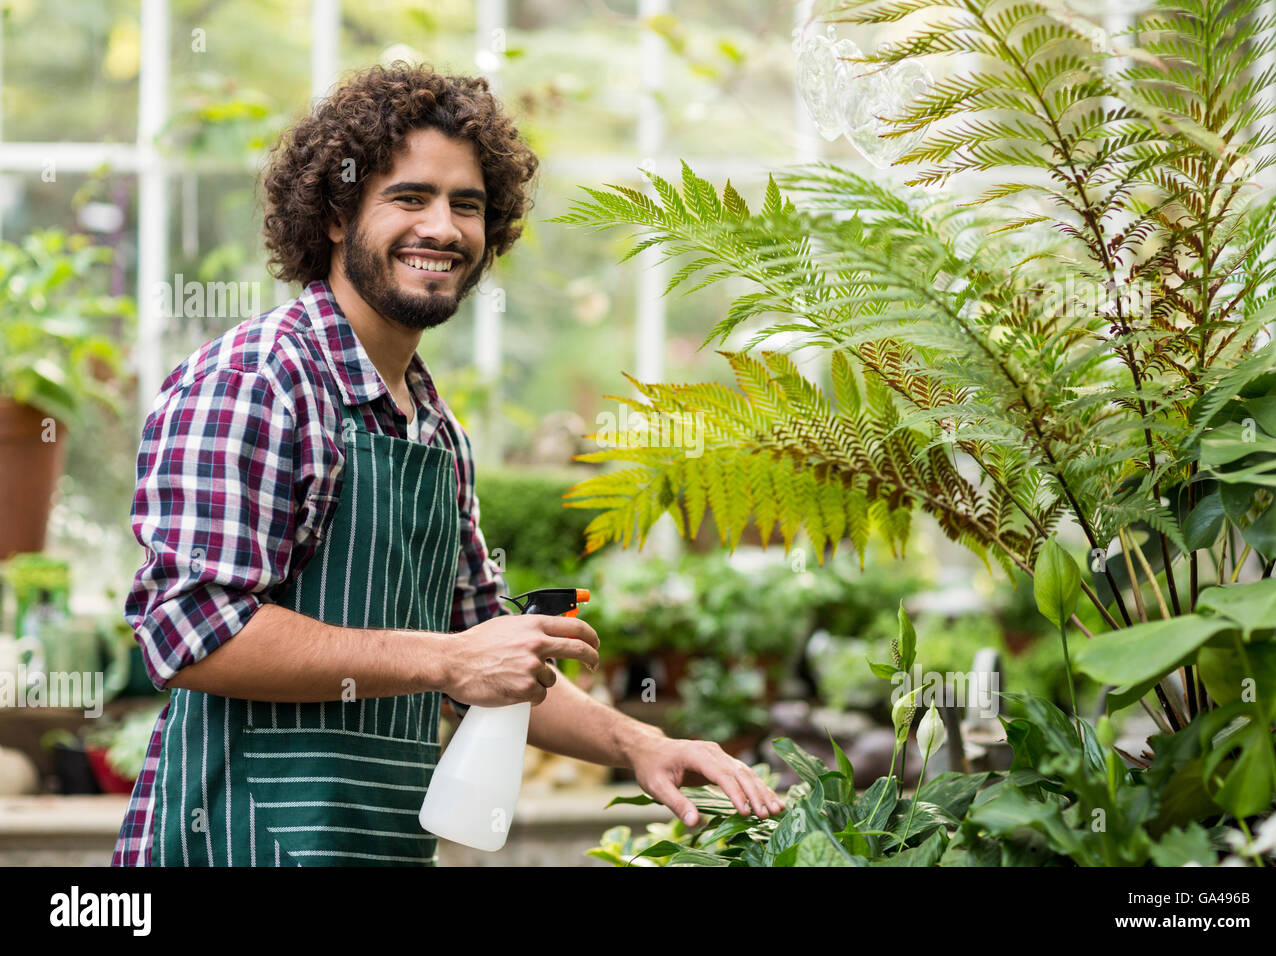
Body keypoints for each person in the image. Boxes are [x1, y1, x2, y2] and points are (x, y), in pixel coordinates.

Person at [111, 63, 782, 867]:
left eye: (467, 205)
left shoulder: (435, 429)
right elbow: (188, 633)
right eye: (409, 197)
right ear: (333, 215)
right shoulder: (260, 380)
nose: (444, 227)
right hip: (230, 845)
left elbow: (480, 650)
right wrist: (450, 661)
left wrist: (639, 743)